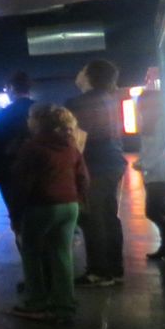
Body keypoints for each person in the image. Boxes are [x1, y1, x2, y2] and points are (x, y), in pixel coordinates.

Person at [8, 104, 89, 322]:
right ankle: (64, 304)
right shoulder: (71, 147)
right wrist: (79, 200)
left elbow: (22, 184)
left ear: (38, 122)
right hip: (69, 205)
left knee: (32, 254)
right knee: (62, 253)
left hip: (40, 206)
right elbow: (83, 178)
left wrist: (15, 215)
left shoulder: (32, 148)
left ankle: (37, 302)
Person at [66, 59, 126, 287]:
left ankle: (99, 272)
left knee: (93, 219)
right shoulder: (109, 99)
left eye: (81, 69)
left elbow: (77, 141)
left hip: (95, 166)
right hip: (112, 163)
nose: (78, 72)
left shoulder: (78, 103)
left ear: (89, 76)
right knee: (109, 216)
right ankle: (115, 268)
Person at [0, 71, 34, 236]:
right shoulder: (42, 110)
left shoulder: (3, 115)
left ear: (11, 88)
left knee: (19, 218)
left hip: (10, 174)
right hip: (41, 171)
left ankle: (27, 252)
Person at [137, 89, 165, 262]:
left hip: (160, 173)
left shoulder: (161, 122)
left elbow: (164, 149)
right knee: (159, 210)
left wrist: (146, 164)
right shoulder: (153, 121)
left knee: (153, 210)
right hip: (153, 173)